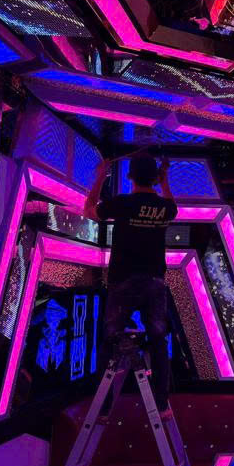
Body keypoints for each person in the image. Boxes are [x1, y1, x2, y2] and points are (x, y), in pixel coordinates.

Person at [84, 152, 178, 416]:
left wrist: (100, 176)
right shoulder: (164, 207)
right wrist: (165, 181)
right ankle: (161, 404)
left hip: (122, 280)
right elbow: (173, 206)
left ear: (129, 176)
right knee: (158, 341)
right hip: (154, 281)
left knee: (109, 340)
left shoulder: (123, 203)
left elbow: (89, 211)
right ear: (154, 178)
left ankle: (102, 407)